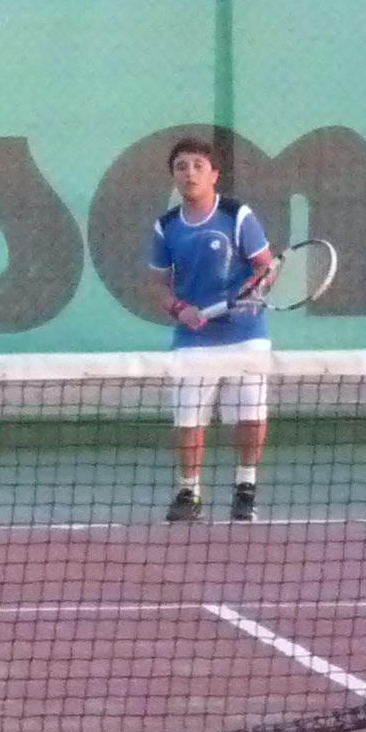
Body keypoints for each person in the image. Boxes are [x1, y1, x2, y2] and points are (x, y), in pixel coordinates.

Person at [144, 134, 279, 522]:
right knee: (187, 420)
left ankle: (245, 488)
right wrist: (180, 308)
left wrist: (255, 289)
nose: (190, 173)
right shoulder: (166, 226)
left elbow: (266, 267)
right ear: (173, 177)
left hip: (246, 336)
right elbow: (156, 283)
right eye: (181, 167)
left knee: (250, 416)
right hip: (193, 340)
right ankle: (189, 492)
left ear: (214, 175)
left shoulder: (238, 216)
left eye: (198, 166)